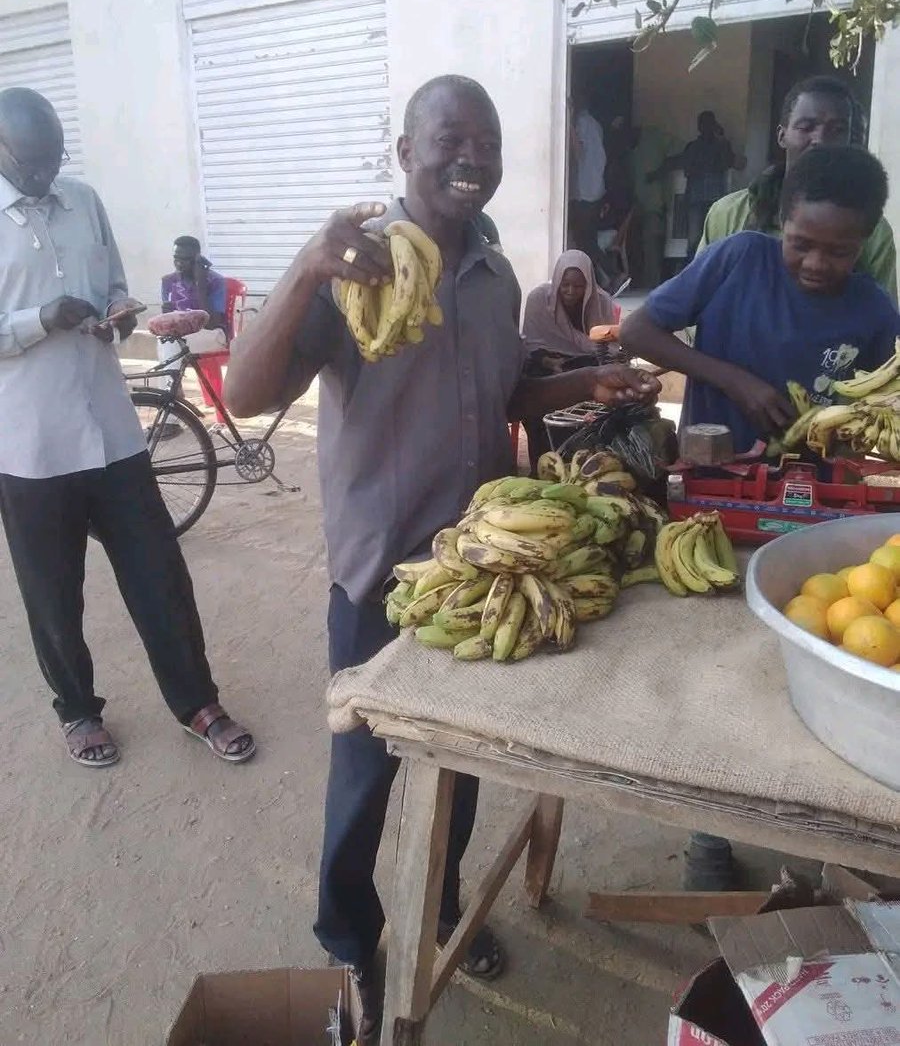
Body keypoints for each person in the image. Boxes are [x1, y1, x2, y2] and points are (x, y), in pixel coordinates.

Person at [223, 74, 659, 1041]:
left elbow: (503, 396)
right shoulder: (360, 271)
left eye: (488, 142)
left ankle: (445, 903)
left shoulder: (497, 274)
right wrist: (303, 269)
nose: (472, 157)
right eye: (449, 138)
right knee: (364, 774)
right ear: (405, 152)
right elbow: (248, 396)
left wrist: (591, 376)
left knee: (458, 766)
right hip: (379, 573)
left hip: (476, 573)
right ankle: (350, 939)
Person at [620, 144, 899, 889]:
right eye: (802, 242)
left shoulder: (874, 312)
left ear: (868, 239)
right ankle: (712, 835)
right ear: (779, 220)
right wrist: (730, 379)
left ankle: (820, 834)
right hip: (714, 506)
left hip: (818, 526)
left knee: (802, 674)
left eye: (837, 251)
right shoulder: (737, 260)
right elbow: (638, 332)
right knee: (716, 680)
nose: (815, 262)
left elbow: (875, 411)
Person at [0, 87, 254, 768]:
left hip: (111, 429)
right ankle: (78, 711)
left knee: (160, 574)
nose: (45, 174)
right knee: (53, 595)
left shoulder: (83, 200)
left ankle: (197, 701)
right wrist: (37, 321)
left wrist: (120, 312)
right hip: (30, 446)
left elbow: (114, 282)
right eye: (31, 164)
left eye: (54, 159)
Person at [696, 75, 897, 303]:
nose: (819, 139)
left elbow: (881, 323)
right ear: (782, 136)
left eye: (837, 129)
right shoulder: (728, 213)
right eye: (806, 127)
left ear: (851, 140)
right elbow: (696, 305)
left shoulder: (872, 229)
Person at [522, 249, 618, 468]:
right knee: (534, 400)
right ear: (557, 282)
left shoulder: (601, 302)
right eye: (565, 285)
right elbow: (530, 345)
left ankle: (586, 466)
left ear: (589, 285)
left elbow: (608, 348)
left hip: (587, 362)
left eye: (578, 286)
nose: (570, 291)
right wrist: (550, 363)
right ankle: (543, 466)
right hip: (546, 364)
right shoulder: (539, 299)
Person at [656, 112, 742, 263]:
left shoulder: (721, 146)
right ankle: (692, 272)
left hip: (715, 200)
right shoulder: (693, 147)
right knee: (694, 240)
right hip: (697, 198)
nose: (705, 127)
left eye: (709, 124)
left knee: (716, 237)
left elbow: (731, 162)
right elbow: (683, 165)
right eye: (703, 124)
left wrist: (722, 140)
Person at [158, 235, 229, 397]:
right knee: (165, 341)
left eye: (186, 259)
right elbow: (168, 321)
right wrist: (166, 314)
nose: (179, 264)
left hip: (213, 334)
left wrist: (201, 286)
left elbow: (213, 323)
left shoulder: (215, 281)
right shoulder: (168, 282)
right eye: (176, 258)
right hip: (182, 335)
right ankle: (172, 391)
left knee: (171, 344)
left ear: (198, 259)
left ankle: (171, 398)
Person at [626, 121, 679, 289]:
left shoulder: (654, 137)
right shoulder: (631, 153)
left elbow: (677, 156)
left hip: (655, 207)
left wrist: (658, 173)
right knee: (635, 248)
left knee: (652, 249)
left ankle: (652, 287)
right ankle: (640, 283)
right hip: (637, 207)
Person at [568, 91, 607, 266]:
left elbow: (578, 153)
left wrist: (567, 125)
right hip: (595, 188)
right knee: (588, 238)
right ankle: (606, 277)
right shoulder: (595, 124)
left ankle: (612, 274)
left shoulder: (581, 124)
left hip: (585, 189)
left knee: (584, 240)